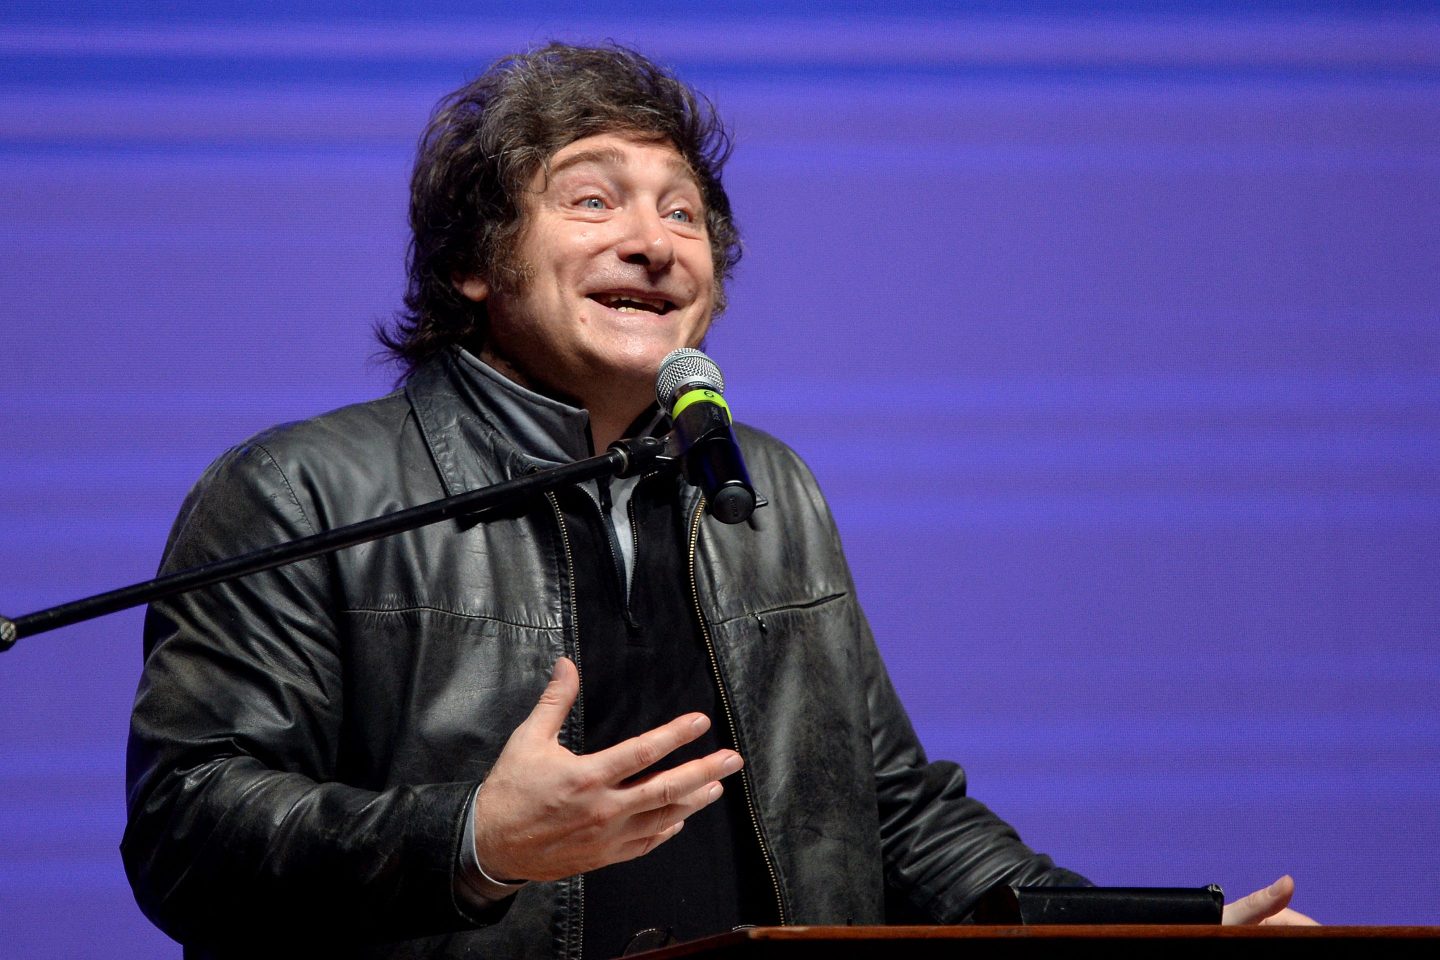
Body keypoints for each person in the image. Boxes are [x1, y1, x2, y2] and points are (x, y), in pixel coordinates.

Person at [122, 43, 1312, 959]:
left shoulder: (762, 489)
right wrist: (474, 842)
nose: (654, 243)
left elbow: (889, 818)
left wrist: (1151, 938)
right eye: (594, 201)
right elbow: (189, 832)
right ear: (473, 264)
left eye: (681, 212)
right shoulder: (301, 490)